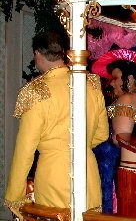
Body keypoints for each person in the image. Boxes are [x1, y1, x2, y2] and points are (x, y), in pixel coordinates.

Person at [4, 31, 109, 218]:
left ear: (37, 54)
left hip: (53, 175)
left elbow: (25, 150)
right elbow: (102, 134)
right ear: (63, 53)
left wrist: (14, 197)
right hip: (88, 173)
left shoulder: (35, 91)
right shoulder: (91, 84)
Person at [91, 48, 136, 213]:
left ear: (129, 78)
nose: (111, 83)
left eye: (115, 78)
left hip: (118, 173)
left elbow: (120, 140)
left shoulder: (127, 99)